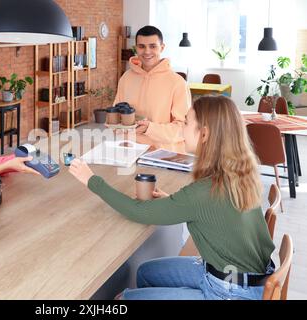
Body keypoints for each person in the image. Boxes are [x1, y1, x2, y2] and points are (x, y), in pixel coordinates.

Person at [69, 95, 275, 300]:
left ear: (204, 134)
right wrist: (176, 204)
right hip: (246, 278)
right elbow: (217, 214)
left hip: (229, 292)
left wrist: (91, 180)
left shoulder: (205, 191)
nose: (181, 129)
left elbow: (138, 211)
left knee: (123, 299)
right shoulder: (241, 173)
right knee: (144, 273)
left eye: (186, 123)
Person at [114, 25, 190, 152]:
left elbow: (183, 129)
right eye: (141, 46)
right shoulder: (126, 78)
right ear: (136, 48)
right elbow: (116, 115)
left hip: (164, 154)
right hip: (129, 150)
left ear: (162, 47)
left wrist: (150, 128)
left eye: (153, 46)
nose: (147, 51)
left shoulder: (177, 83)